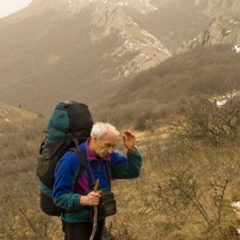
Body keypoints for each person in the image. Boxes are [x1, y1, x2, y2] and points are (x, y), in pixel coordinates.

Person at [52, 122, 143, 240]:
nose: (110, 150)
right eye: (107, 145)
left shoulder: (107, 157)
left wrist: (132, 150)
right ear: (94, 138)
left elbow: (132, 171)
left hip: (99, 217)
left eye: (113, 146)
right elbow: (59, 197)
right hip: (77, 223)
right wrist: (83, 199)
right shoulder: (71, 160)